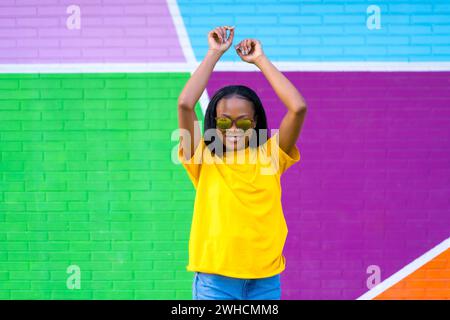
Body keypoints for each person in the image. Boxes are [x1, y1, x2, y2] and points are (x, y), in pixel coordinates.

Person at [177, 25, 307, 300]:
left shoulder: (271, 155)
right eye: (224, 122)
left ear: (256, 121)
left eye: (243, 122)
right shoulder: (201, 157)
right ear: (214, 121)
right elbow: (185, 104)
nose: (233, 129)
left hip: (265, 281)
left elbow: (298, 107)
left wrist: (260, 60)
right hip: (216, 283)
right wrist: (214, 53)